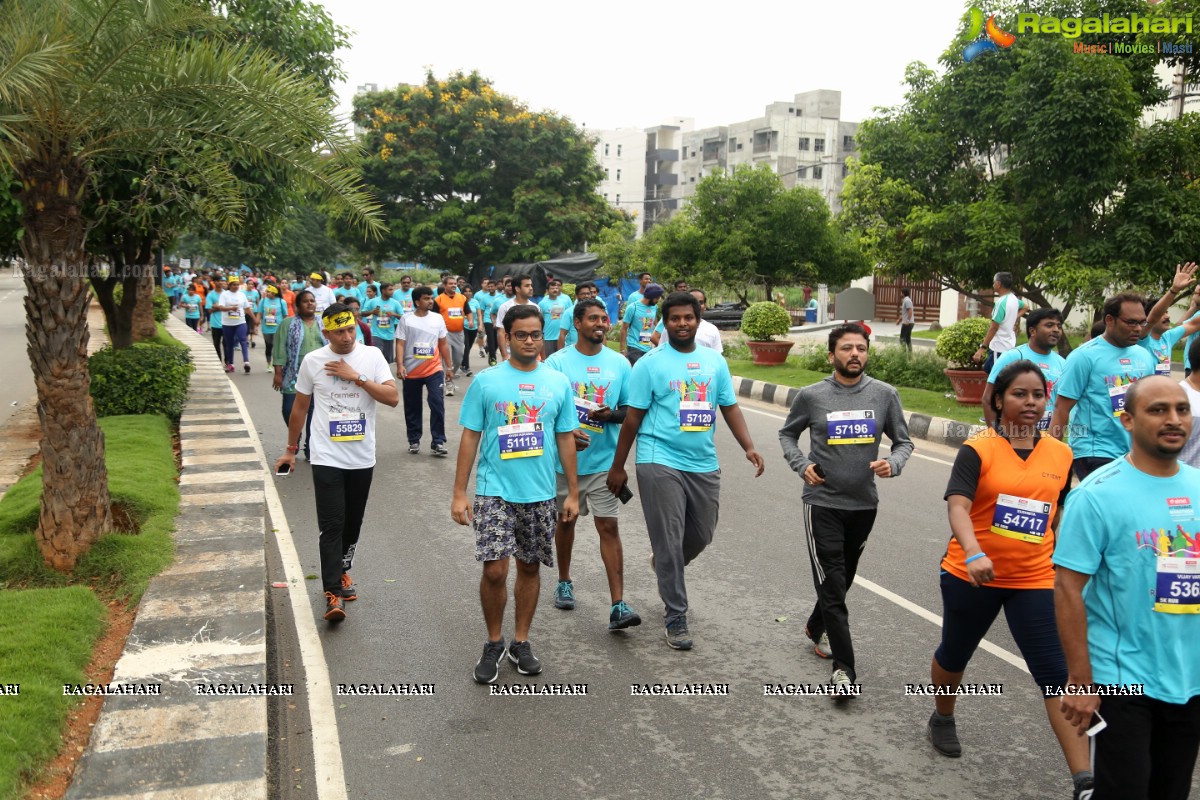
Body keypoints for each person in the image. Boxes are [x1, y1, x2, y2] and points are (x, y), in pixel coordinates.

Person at [927, 361, 1091, 796]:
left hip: (1034, 577)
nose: (1031, 403)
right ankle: (943, 715)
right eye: (1020, 394)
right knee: (954, 654)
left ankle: (1084, 780)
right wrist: (976, 552)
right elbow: (958, 507)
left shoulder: (1061, 453)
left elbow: (1058, 514)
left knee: (1055, 673)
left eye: (1038, 395)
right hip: (971, 573)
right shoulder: (978, 448)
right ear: (999, 399)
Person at [1054, 375, 1200, 800]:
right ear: (1127, 420)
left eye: (1181, 410)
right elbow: (1066, 589)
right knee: (1126, 790)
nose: (1173, 420)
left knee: (1171, 790)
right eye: (1158, 410)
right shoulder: (1097, 496)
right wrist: (1080, 681)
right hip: (1123, 678)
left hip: (1189, 676)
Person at [607, 291, 765, 650]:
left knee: (702, 535)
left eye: (688, 318)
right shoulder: (649, 363)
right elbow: (633, 418)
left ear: (699, 319)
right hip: (658, 458)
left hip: (703, 461)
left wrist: (749, 446)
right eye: (674, 318)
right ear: (664, 322)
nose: (682, 324)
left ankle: (665, 563)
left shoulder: (714, 363)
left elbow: (730, 407)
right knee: (669, 540)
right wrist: (619, 466)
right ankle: (675, 615)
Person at [777, 322, 913, 693]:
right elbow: (788, 433)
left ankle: (814, 625)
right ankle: (844, 670)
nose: (855, 354)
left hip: (864, 505)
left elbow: (903, 442)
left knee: (844, 577)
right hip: (822, 503)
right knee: (833, 584)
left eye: (862, 348)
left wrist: (893, 464)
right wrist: (802, 465)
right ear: (832, 355)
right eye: (847, 348)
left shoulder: (885, 395)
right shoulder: (812, 395)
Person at [452, 305, 580, 683]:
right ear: (506, 337)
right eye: (521, 334)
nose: (529, 341)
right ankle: (494, 642)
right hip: (495, 492)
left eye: (535, 334)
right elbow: (471, 435)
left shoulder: (557, 383)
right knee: (494, 570)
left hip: (540, 493)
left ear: (544, 336)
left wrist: (572, 492)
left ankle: (521, 642)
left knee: (529, 566)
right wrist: (459, 492)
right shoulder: (487, 382)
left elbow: (565, 438)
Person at [274, 304, 398, 622]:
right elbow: (300, 408)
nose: (346, 337)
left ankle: (343, 571)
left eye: (350, 330)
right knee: (331, 525)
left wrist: (355, 377)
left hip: (361, 457)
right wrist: (290, 449)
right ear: (326, 333)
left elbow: (391, 397)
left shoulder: (371, 356)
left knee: (352, 524)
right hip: (326, 456)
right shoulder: (313, 361)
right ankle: (332, 594)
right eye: (339, 332)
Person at [544, 298, 641, 631]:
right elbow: (545, 409)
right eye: (594, 319)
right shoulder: (556, 364)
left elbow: (631, 411)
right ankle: (564, 580)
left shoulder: (620, 364)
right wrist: (567, 429)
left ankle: (618, 605)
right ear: (577, 323)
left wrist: (609, 415)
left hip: (603, 462)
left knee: (608, 527)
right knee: (566, 522)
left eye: (605, 319)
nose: (601, 324)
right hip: (563, 465)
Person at [1049, 292, 1157, 481]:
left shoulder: (1144, 356)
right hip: (1096, 451)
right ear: (1109, 320)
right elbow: (1061, 409)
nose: (1138, 328)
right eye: (1131, 322)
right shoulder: (1083, 356)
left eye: (1142, 322)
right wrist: (1048, 457)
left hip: (1135, 451)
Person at [982, 308, 1065, 430]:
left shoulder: (1063, 363)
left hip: (1046, 440)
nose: (1056, 330)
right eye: (1049, 325)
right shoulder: (1012, 357)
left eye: (1059, 326)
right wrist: (997, 434)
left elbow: (1062, 406)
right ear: (1032, 330)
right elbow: (988, 398)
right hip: (1013, 436)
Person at [397, 286, 453, 456]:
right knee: (412, 406)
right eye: (427, 298)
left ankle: (438, 442)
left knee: (437, 403)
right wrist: (400, 365)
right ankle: (414, 440)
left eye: (431, 298)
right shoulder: (406, 320)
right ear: (417, 302)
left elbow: (443, 344)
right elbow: (400, 343)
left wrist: (448, 367)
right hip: (412, 370)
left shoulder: (437, 319)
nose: (431, 301)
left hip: (434, 369)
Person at [273, 290, 325, 460]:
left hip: (319, 375)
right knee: (289, 409)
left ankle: (311, 447)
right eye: (305, 301)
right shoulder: (287, 324)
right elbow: (280, 348)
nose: (310, 304)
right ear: (297, 305)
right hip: (293, 374)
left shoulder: (323, 324)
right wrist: (278, 373)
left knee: (314, 413)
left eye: (312, 301)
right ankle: (295, 438)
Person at [1141, 263, 1200, 377]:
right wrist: (1174, 290)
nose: (1167, 316)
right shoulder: (1142, 337)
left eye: (1167, 312)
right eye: (1163, 313)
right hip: (1146, 393)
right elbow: (1153, 317)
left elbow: (1194, 324)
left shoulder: (1167, 337)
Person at [973, 272, 1026, 372]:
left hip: (999, 347)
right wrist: (1014, 317)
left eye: (993, 283)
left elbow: (994, 328)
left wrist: (982, 348)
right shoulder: (1013, 299)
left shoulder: (1001, 303)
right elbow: (1026, 307)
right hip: (1009, 345)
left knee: (996, 377)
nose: (993, 285)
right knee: (989, 369)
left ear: (998, 284)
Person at [650, 288, 723, 352]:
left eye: (700, 302)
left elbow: (717, 356)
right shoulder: (670, 328)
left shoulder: (712, 329)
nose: (682, 324)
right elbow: (658, 342)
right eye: (675, 319)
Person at [434, 276, 468, 396]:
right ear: (444, 285)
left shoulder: (462, 298)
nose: (454, 285)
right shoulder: (438, 300)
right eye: (451, 284)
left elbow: (468, 312)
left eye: (455, 284)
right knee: (446, 359)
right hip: (445, 334)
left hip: (459, 333)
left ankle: (451, 373)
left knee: (459, 358)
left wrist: (471, 320)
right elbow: (434, 316)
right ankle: (448, 382)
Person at [361, 281, 403, 373]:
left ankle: (384, 376)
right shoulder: (373, 302)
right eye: (390, 290)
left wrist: (394, 314)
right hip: (376, 334)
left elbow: (403, 317)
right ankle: (375, 375)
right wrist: (372, 312)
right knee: (377, 355)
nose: (392, 292)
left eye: (392, 289)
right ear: (383, 291)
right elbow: (362, 313)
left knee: (387, 359)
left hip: (389, 335)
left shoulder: (395, 303)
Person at [619, 282, 664, 365]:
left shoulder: (654, 307)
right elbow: (624, 328)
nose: (659, 300)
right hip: (634, 346)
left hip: (648, 346)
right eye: (657, 297)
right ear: (651, 296)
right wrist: (622, 350)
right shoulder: (633, 307)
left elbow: (655, 323)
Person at [495, 275, 537, 361]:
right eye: (527, 286)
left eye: (531, 285)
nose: (531, 288)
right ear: (517, 289)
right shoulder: (505, 307)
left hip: (531, 353)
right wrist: (504, 355)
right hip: (512, 354)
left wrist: (540, 355)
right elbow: (501, 332)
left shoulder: (535, 307)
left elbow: (539, 333)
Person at [256, 283, 290, 372]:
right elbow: (259, 313)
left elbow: (285, 315)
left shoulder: (281, 302)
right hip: (266, 328)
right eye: (267, 291)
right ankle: (268, 364)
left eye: (269, 292)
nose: (266, 293)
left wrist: (286, 327)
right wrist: (255, 324)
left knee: (277, 346)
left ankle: (277, 364)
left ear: (274, 293)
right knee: (268, 346)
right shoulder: (263, 301)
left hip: (278, 328)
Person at [557, 281, 596, 352]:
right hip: (572, 351)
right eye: (583, 294)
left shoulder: (595, 311)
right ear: (577, 296)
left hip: (591, 350)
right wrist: (560, 353)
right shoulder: (569, 312)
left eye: (588, 293)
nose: (586, 296)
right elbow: (562, 334)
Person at [538, 279, 572, 359]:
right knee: (549, 359)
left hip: (562, 337)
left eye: (556, 288)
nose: (555, 290)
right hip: (548, 337)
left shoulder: (564, 301)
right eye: (552, 288)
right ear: (547, 290)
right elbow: (539, 319)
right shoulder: (542, 303)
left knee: (562, 359)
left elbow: (569, 316)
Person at [460, 284, 482, 377]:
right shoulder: (460, 301)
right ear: (462, 292)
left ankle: (462, 363)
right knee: (467, 346)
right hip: (463, 326)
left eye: (470, 291)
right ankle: (466, 367)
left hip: (474, 327)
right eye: (466, 291)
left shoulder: (475, 302)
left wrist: (480, 325)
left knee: (468, 348)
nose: (468, 293)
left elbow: (479, 315)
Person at [477, 278, 499, 362]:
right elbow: (481, 312)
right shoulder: (484, 298)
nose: (490, 288)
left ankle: (488, 348)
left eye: (492, 286)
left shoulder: (500, 296)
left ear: (496, 287)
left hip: (498, 321)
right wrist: (481, 323)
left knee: (497, 340)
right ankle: (492, 358)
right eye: (489, 286)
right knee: (491, 338)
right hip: (487, 320)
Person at [204, 276, 225, 357]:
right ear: (214, 282)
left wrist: (216, 306)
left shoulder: (226, 294)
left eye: (221, 281)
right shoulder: (210, 295)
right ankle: (219, 360)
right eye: (218, 281)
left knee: (226, 344)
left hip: (226, 323)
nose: (220, 282)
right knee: (216, 344)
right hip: (215, 324)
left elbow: (229, 308)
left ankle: (228, 362)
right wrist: (221, 307)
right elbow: (209, 310)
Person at [897, 288, 915, 352]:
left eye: (901, 292)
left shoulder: (907, 301)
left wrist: (907, 320)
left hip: (907, 323)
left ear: (903, 293)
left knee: (902, 339)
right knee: (907, 339)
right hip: (908, 322)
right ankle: (909, 355)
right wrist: (899, 320)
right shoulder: (906, 300)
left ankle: (903, 354)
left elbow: (910, 311)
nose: (900, 294)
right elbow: (905, 313)